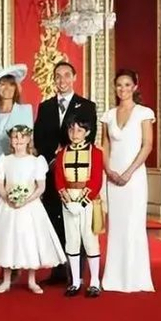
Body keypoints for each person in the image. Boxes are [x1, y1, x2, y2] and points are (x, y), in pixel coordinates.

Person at [0, 125, 66, 295]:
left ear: (28, 140)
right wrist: (8, 198)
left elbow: (40, 187)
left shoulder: (35, 161)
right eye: (15, 137)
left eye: (22, 137)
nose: (18, 141)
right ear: (11, 141)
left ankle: (32, 280)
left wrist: (26, 199)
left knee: (30, 240)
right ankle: (6, 279)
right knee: (7, 239)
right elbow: (0, 184)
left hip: (29, 206)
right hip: (8, 206)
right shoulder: (5, 160)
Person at [33, 61, 97, 284]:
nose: (62, 80)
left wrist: (66, 155)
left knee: (77, 222)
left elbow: (90, 137)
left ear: (74, 77)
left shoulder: (86, 106)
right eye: (58, 76)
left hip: (76, 173)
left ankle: (76, 273)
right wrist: (53, 159)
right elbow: (39, 138)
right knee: (55, 220)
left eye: (67, 75)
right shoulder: (45, 107)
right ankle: (58, 270)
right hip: (51, 171)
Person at [100, 69, 155, 293]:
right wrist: (109, 170)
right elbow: (104, 146)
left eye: (127, 85)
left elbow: (147, 145)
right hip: (113, 177)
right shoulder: (108, 115)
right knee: (116, 226)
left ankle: (135, 277)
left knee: (133, 224)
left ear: (135, 87)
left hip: (135, 177)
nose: (122, 89)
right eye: (119, 85)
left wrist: (129, 172)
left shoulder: (144, 113)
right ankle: (114, 277)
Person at [54, 116, 104, 298]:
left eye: (79, 130)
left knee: (90, 240)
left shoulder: (95, 153)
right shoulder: (62, 153)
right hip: (68, 200)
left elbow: (96, 180)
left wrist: (82, 202)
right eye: (71, 129)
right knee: (72, 240)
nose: (75, 134)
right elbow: (59, 179)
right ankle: (75, 281)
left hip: (88, 200)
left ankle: (95, 282)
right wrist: (68, 201)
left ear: (87, 132)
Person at [0, 65, 33, 221]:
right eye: (3, 84)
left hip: (17, 170)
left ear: (16, 88)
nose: (7, 88)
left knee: (14, 215)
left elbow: (30, 141)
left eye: (11, 84)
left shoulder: (25, 110)